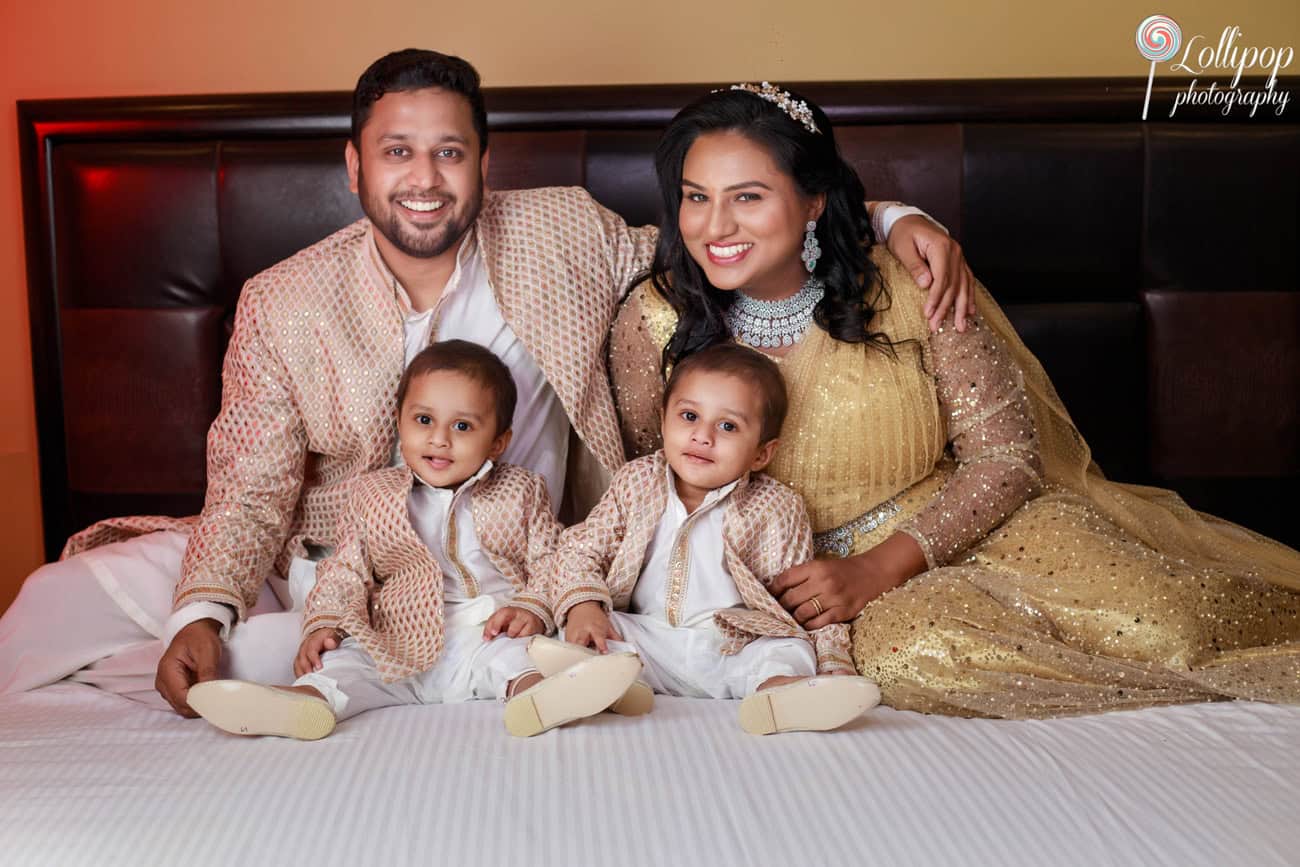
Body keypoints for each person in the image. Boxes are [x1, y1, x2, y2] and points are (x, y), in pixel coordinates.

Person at [0, 50, 971, 717]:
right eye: (397, 152)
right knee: (59, 603)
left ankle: (317, 667)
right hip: (339, 555)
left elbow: (722, 239)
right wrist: (202, 609)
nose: (424, 178)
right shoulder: (283, 300)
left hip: (525, 561)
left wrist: (882, 216)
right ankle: (243, 649)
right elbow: (249, 486)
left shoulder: (559, 231)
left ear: (480, 163)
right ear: (353, 166)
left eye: (448, 151)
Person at [607, 82, 1300, 718]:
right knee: (925, 654)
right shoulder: (657, 318)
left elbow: (1007, 457)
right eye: (696, 197)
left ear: (814, 199)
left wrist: (880, 566)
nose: (715, 227)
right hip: (797, 596)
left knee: (1167, 620)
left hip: (957, 535)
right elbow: (650, 485)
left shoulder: (912, 284)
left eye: (747, 196)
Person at [186, 340, 642, 739]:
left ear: (498, 442)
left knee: (517, 660)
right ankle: (302, 704)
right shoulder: (373, 495)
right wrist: (323, 623)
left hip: (486, 628)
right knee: (345, 665)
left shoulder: (521, 490)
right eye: (424, 419)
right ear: (400, 422)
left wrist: (532, 608)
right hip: (397, 637)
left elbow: (552, 558)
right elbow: (347, 569)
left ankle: (541, 699)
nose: (439, 439)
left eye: (463, 427)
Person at [540, 343, 879, 734]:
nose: (703, 436)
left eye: (728, 426)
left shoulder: (775, 508)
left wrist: (834, 660)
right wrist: (584, 607)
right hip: (650, 642)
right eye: (689, 416)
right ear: (664, 422)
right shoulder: (637, 482)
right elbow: (580, 549)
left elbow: (803, 603)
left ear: (761, 454)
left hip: (732, 650)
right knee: (590, 630)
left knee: (788, 650)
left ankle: (778, 696)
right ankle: (609, 687)